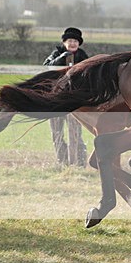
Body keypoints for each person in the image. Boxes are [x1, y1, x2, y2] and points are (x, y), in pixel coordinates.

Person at [43, 27, 89, 166]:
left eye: (75, 41)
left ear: (79, 43)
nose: (72, 43)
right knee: (56, 132)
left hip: (74, 101)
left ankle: (78, 162)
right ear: (64, 42)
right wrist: (61, 58)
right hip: (56, 99)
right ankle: (61, 161)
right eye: (70, 40)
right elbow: (46, 66)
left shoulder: (83, 56)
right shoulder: (56, 53)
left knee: (75, 133)